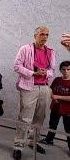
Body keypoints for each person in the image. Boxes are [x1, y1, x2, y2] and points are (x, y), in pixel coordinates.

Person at [13, 26, 55, 160]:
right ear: (35, 35)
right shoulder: (25, 49)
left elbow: (52, 70)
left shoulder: (50, 51)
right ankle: (18, 146)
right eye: (42, 34)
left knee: (40, 118)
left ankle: (33, 142)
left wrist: (45, 72)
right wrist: (33, 73)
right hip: (28, 87)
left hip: (44, 88)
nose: (45, 37)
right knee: (25, 118)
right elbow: (17, 66)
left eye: (47, 34)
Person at [39, 61, 70, 155]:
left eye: (68, 69)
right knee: (52, 125)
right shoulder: (57, 79)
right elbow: (51, 89)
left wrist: (57, 97)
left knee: (68, 129)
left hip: (68, 110)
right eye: (63, 69)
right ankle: (49, 139)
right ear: (60, 70)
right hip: (56, 107)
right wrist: (53, 96)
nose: (66, 71)